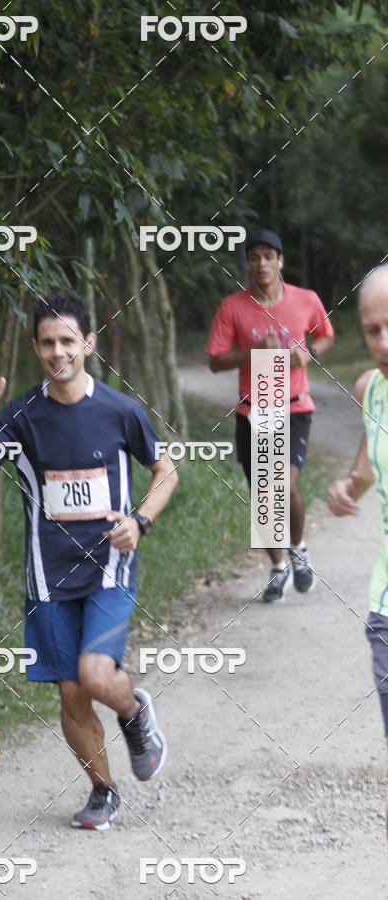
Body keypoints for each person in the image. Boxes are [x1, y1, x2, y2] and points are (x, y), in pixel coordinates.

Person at [0, 290, 178, 830]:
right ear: (35, 347)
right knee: (72, 692)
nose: (58, 352)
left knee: (96, 675)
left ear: (88, 343)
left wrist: (138, 522)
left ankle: (132, 710)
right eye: (48, 342)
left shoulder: (121, 410)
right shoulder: (21, 416)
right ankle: (103, 790)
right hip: (46, 579)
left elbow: (165, 473)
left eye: (68, 340)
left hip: (108, 568)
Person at [206, 229, 334, 602]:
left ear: (281, 261)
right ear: (248, 263)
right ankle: (278, 569)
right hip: (255, 409)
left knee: (285, 485)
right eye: (254, 257)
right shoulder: (233, 306)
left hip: (294, 405)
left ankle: (299, 550)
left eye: (268, 256)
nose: (261, 263)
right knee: (264, 494)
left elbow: (325, 334)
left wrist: (309, 352)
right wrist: (252, 353)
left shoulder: (305, 299)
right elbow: (214, 361)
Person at [327, 264, 388, 834]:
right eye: (373, 330)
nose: (384, 343)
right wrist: (350, 485)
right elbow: (371, 462)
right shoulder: (373, 388)